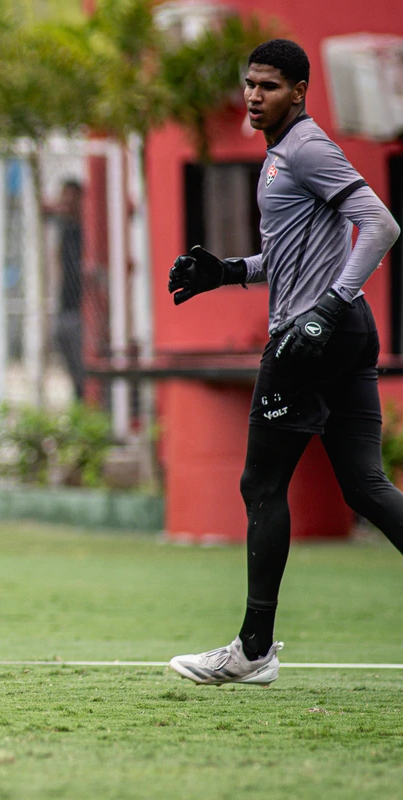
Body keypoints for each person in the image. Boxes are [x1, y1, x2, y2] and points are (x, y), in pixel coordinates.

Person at [167, 39, 401, 685]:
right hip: (344, 330)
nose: (252, 96)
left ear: (299, 91)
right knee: (365, 485)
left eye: (268, 86)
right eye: (249, 83)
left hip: (312, 337)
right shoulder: (281, 154)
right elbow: (292, 258)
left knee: (261, 486)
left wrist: (328, 305)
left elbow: (381, 225)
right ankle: (254, 649)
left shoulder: (306, 148)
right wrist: (227, 272)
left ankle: (253, 650)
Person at [50, 180, 86, 400]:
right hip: (65, 305)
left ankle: (86, 399)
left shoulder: (88, 230)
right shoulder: (62, 228)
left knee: (84, 362)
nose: (67, 203)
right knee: (68, 356)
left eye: (72, 198)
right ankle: (79, 397)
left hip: (83, 308)